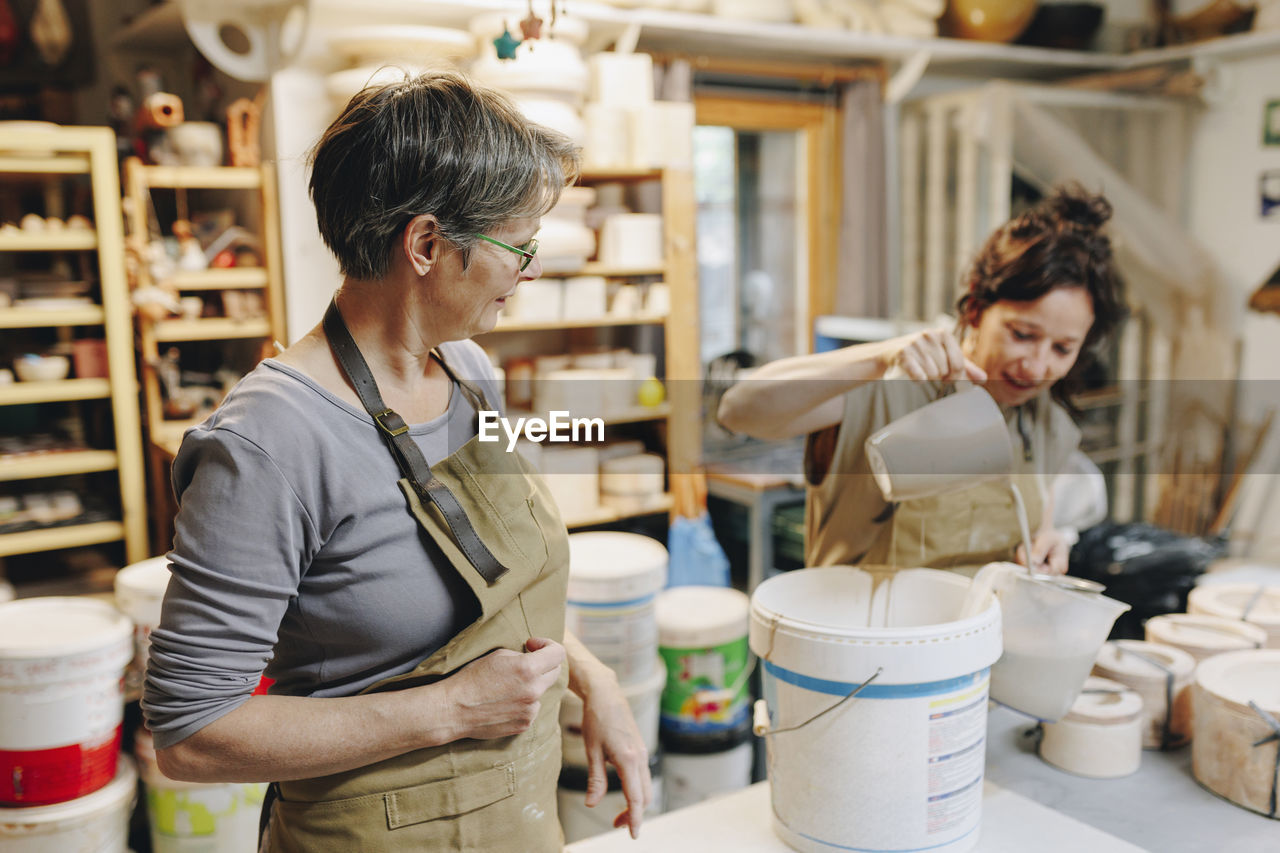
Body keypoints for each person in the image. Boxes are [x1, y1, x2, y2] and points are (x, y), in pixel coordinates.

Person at [142, 71, 651, 851]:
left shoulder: (469, 374)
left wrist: (590, 675)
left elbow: (491, 589)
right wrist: (448, 710)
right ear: (426, 245)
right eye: (518, 246)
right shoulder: (270, 443)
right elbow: (191, 732)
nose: (532, 270)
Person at [718, 185, 1126, 576]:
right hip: (863, 639)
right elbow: (739, 410)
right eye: (1022, 335)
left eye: (1062, 349)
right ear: (978, 307)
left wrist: (1049, 542)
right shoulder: (893, 387)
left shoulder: (1047, 426)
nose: (1037, 368)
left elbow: (1033, 533)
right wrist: (879, 356)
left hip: (972, 642)